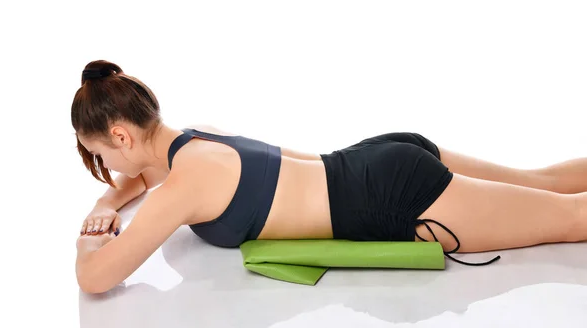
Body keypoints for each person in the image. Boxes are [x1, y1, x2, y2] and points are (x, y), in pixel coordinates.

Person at [73, 60, 587, 294]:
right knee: (542, 181)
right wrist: (104, 206)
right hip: (378, 155)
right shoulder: (195, 140)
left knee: (570, 219)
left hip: (389, 196)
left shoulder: (182, 189)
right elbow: (140, 178)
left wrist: (86, 244)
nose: (109, 170)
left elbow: (96, 280)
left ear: (121, 136)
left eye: (101, 154)